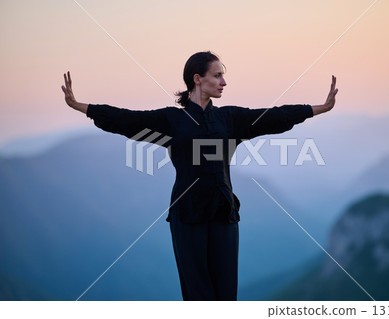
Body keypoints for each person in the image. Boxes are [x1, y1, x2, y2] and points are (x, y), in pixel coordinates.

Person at [61, 51, 338, 301]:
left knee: (226, 294)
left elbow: (272, 116)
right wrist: (81, 106)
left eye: (223, 76)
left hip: (223, 213)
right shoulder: (172, 120)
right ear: (197, 79)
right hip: (187, 215)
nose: (224, 82)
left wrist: (317, 109)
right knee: (197, 296)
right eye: (217, 75)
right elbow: (127, 119)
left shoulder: (230, 119)